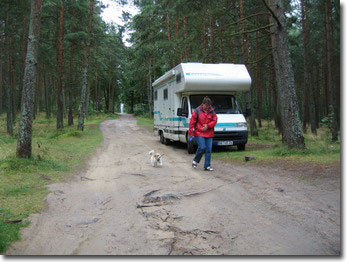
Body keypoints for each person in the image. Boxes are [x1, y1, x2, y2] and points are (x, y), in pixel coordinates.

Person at [189, 96, 218, 171]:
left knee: (209, 149)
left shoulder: (212, 111)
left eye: (209, 106)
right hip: (199, 132)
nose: (207, 107)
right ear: (203, 104)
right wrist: (191, 132)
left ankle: (207, 166)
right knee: (202, 147)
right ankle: (195, 161)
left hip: (209, 133)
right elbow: (192, 122)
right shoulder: (197, 111)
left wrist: (208, 126)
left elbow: (215, 121)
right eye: (206, 106)